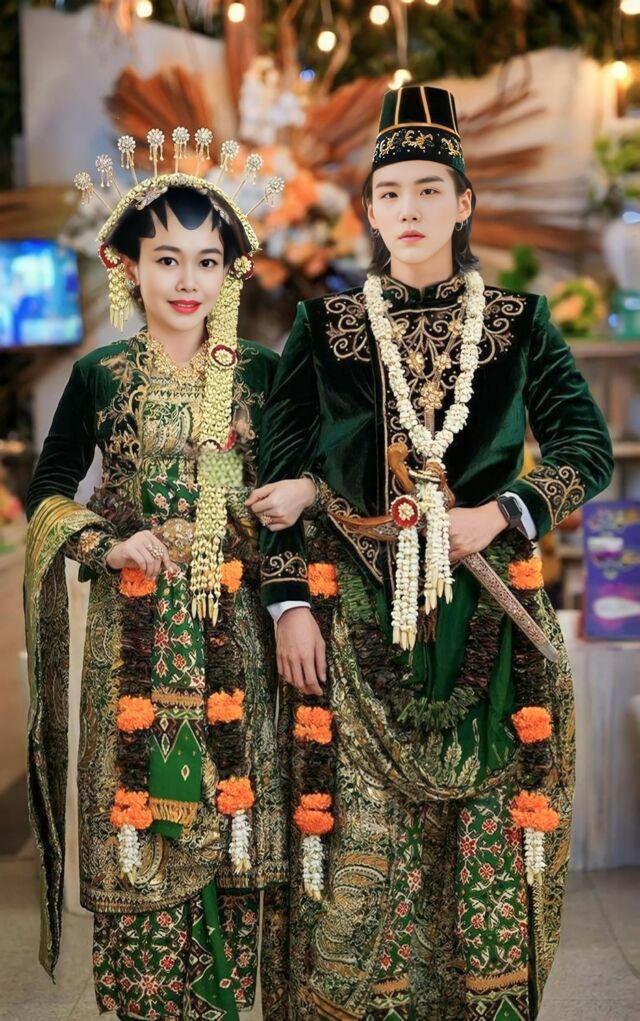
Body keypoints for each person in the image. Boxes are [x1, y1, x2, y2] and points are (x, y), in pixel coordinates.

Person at [252, 85, 614, 1020]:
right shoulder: (324, 329)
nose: (408, 209)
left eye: (427, 190)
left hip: (488, 619)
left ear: (464, 204)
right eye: (390, 193)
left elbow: (587, 448)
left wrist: (502, 512)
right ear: (369, 212)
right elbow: (275, 475)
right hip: (353, 625)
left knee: (485, 857)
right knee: (359, 871)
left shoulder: (520, 323)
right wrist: (289, 605)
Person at [24, 131, 289, 1020]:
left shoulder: (264, 375)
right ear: (127, 266)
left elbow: (308, 487)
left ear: (230, 273)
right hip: (131, 638)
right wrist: (106, 544)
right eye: (167, 258)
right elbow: (50, 489)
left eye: (207, 261)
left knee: (234, 817)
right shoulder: (99, 377)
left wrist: (291, 498)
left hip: (234, 632)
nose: (187, 280)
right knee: (140, 817)